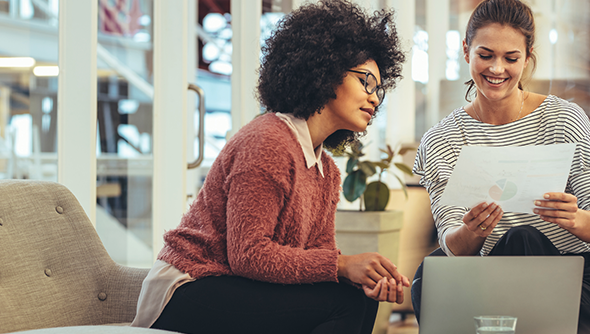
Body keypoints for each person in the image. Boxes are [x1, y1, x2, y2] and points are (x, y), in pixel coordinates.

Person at [130, 1, 408, 333]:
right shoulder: (268, 141)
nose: (375, 98)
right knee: (342, 301)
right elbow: (248, 253)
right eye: (365, 81)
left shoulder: (326, 170)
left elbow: (318, 260)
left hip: (236, 283)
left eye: (379, 88)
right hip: (189, 286)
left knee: (359, 295)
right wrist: (343, 265)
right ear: (326, 70)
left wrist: (357, 275)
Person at [410, 0, 590, 333]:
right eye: (486, 55)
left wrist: (575, 218)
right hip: (491, 283)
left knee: (524, 239)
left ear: (527, 59)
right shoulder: (442, 140)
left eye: (511, 58)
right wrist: (472, 231)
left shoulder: (564, 119)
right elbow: (451, 246)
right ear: (466, 50)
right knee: (430, 275)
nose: (497, 69)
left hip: (579, 283)